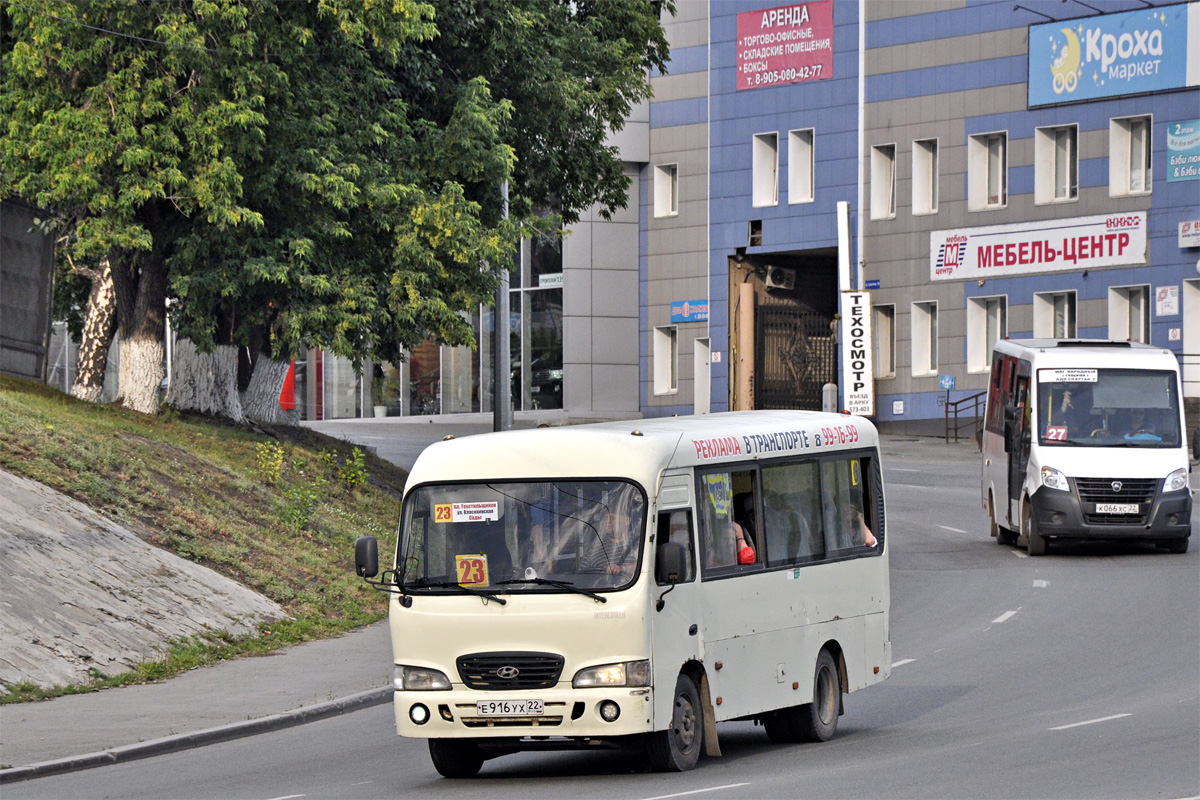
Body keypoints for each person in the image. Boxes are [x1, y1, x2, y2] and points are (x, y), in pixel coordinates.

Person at [580, 510, 639, 579]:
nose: (607, 521)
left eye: (612, 518)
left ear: (627, 521)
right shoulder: (596, 547)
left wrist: (621, 568)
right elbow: (581, 573)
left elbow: (647, 566)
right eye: (606, 517)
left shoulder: (640, 542)